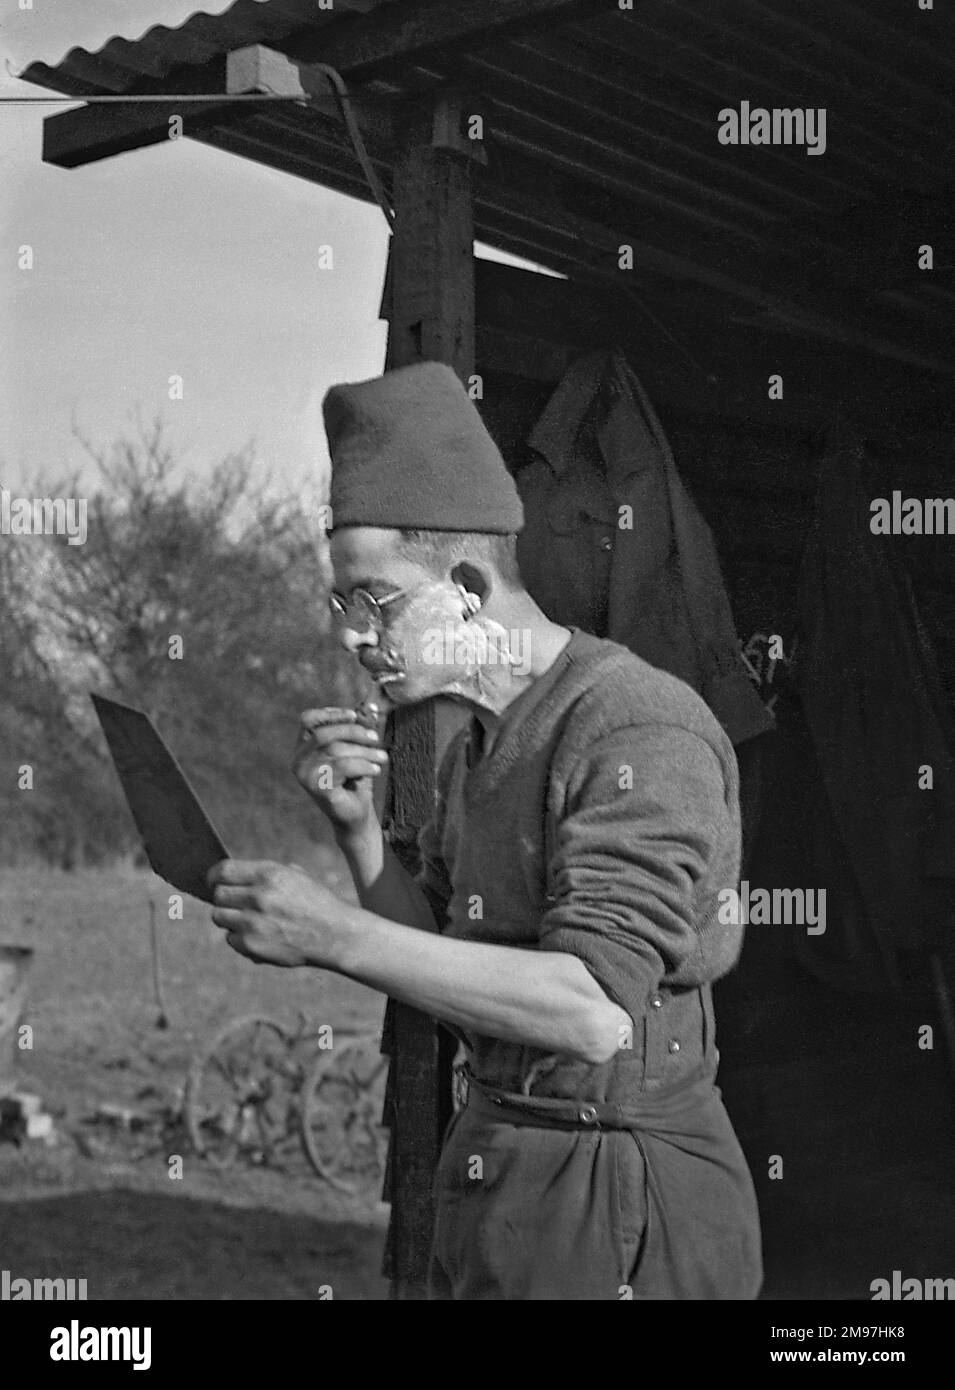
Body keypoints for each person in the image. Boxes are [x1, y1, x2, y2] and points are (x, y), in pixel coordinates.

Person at [209, 361, 762, 1300]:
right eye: (338, 604)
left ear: (465, 587)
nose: (349, 636)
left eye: (372, 601)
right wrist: (357, 836)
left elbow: (588, 1009)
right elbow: (438, 962)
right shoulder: (476, 741)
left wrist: (331, 936)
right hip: (504, 1166)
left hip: (617, 1190)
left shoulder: (633, 726)